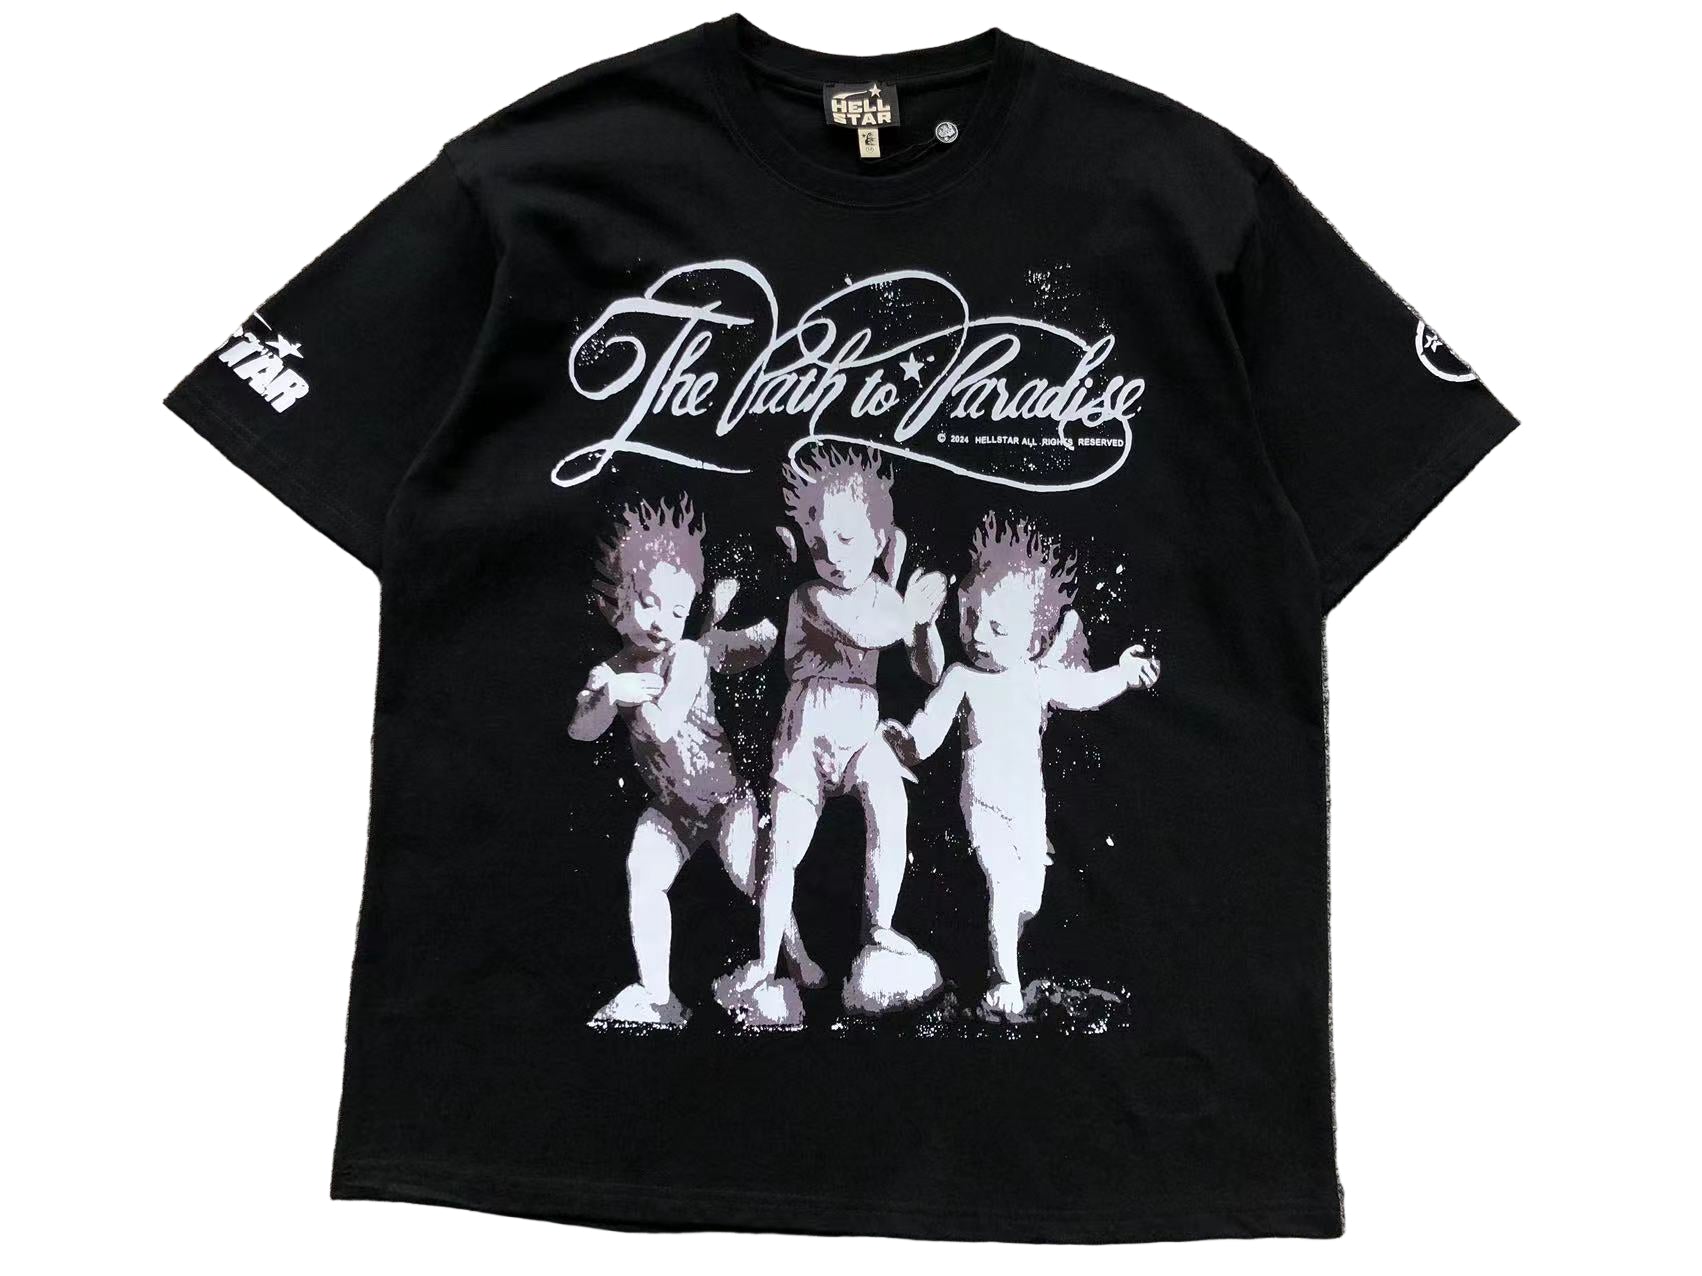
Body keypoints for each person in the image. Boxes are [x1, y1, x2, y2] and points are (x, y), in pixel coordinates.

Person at [882, 514, 1160, 1019]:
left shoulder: (1035, 677)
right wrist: (909, 744)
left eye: (998, 627)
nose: (979, 635)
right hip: (984, 805)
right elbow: (931, 725)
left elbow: (1082, 691)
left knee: (1029, 895)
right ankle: (1004, 980)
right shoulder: (963, 677)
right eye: (971, 618)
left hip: (1028, 811)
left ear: (1032, 639)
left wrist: (1122, 674)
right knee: (1004, 883)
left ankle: (1003, 949)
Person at [570, 496, 818, 1025]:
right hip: (673, 808)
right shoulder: (612, 670)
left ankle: (797, 960)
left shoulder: (687, 655)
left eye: (678, 612)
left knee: (757, 879)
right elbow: (580, 730)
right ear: (618, 603)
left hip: (725, 800)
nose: (663, 622)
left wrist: (628, 695)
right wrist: (605, 696)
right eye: (649, 604)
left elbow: (662, 723)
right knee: (643, 871)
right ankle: (657, 995)